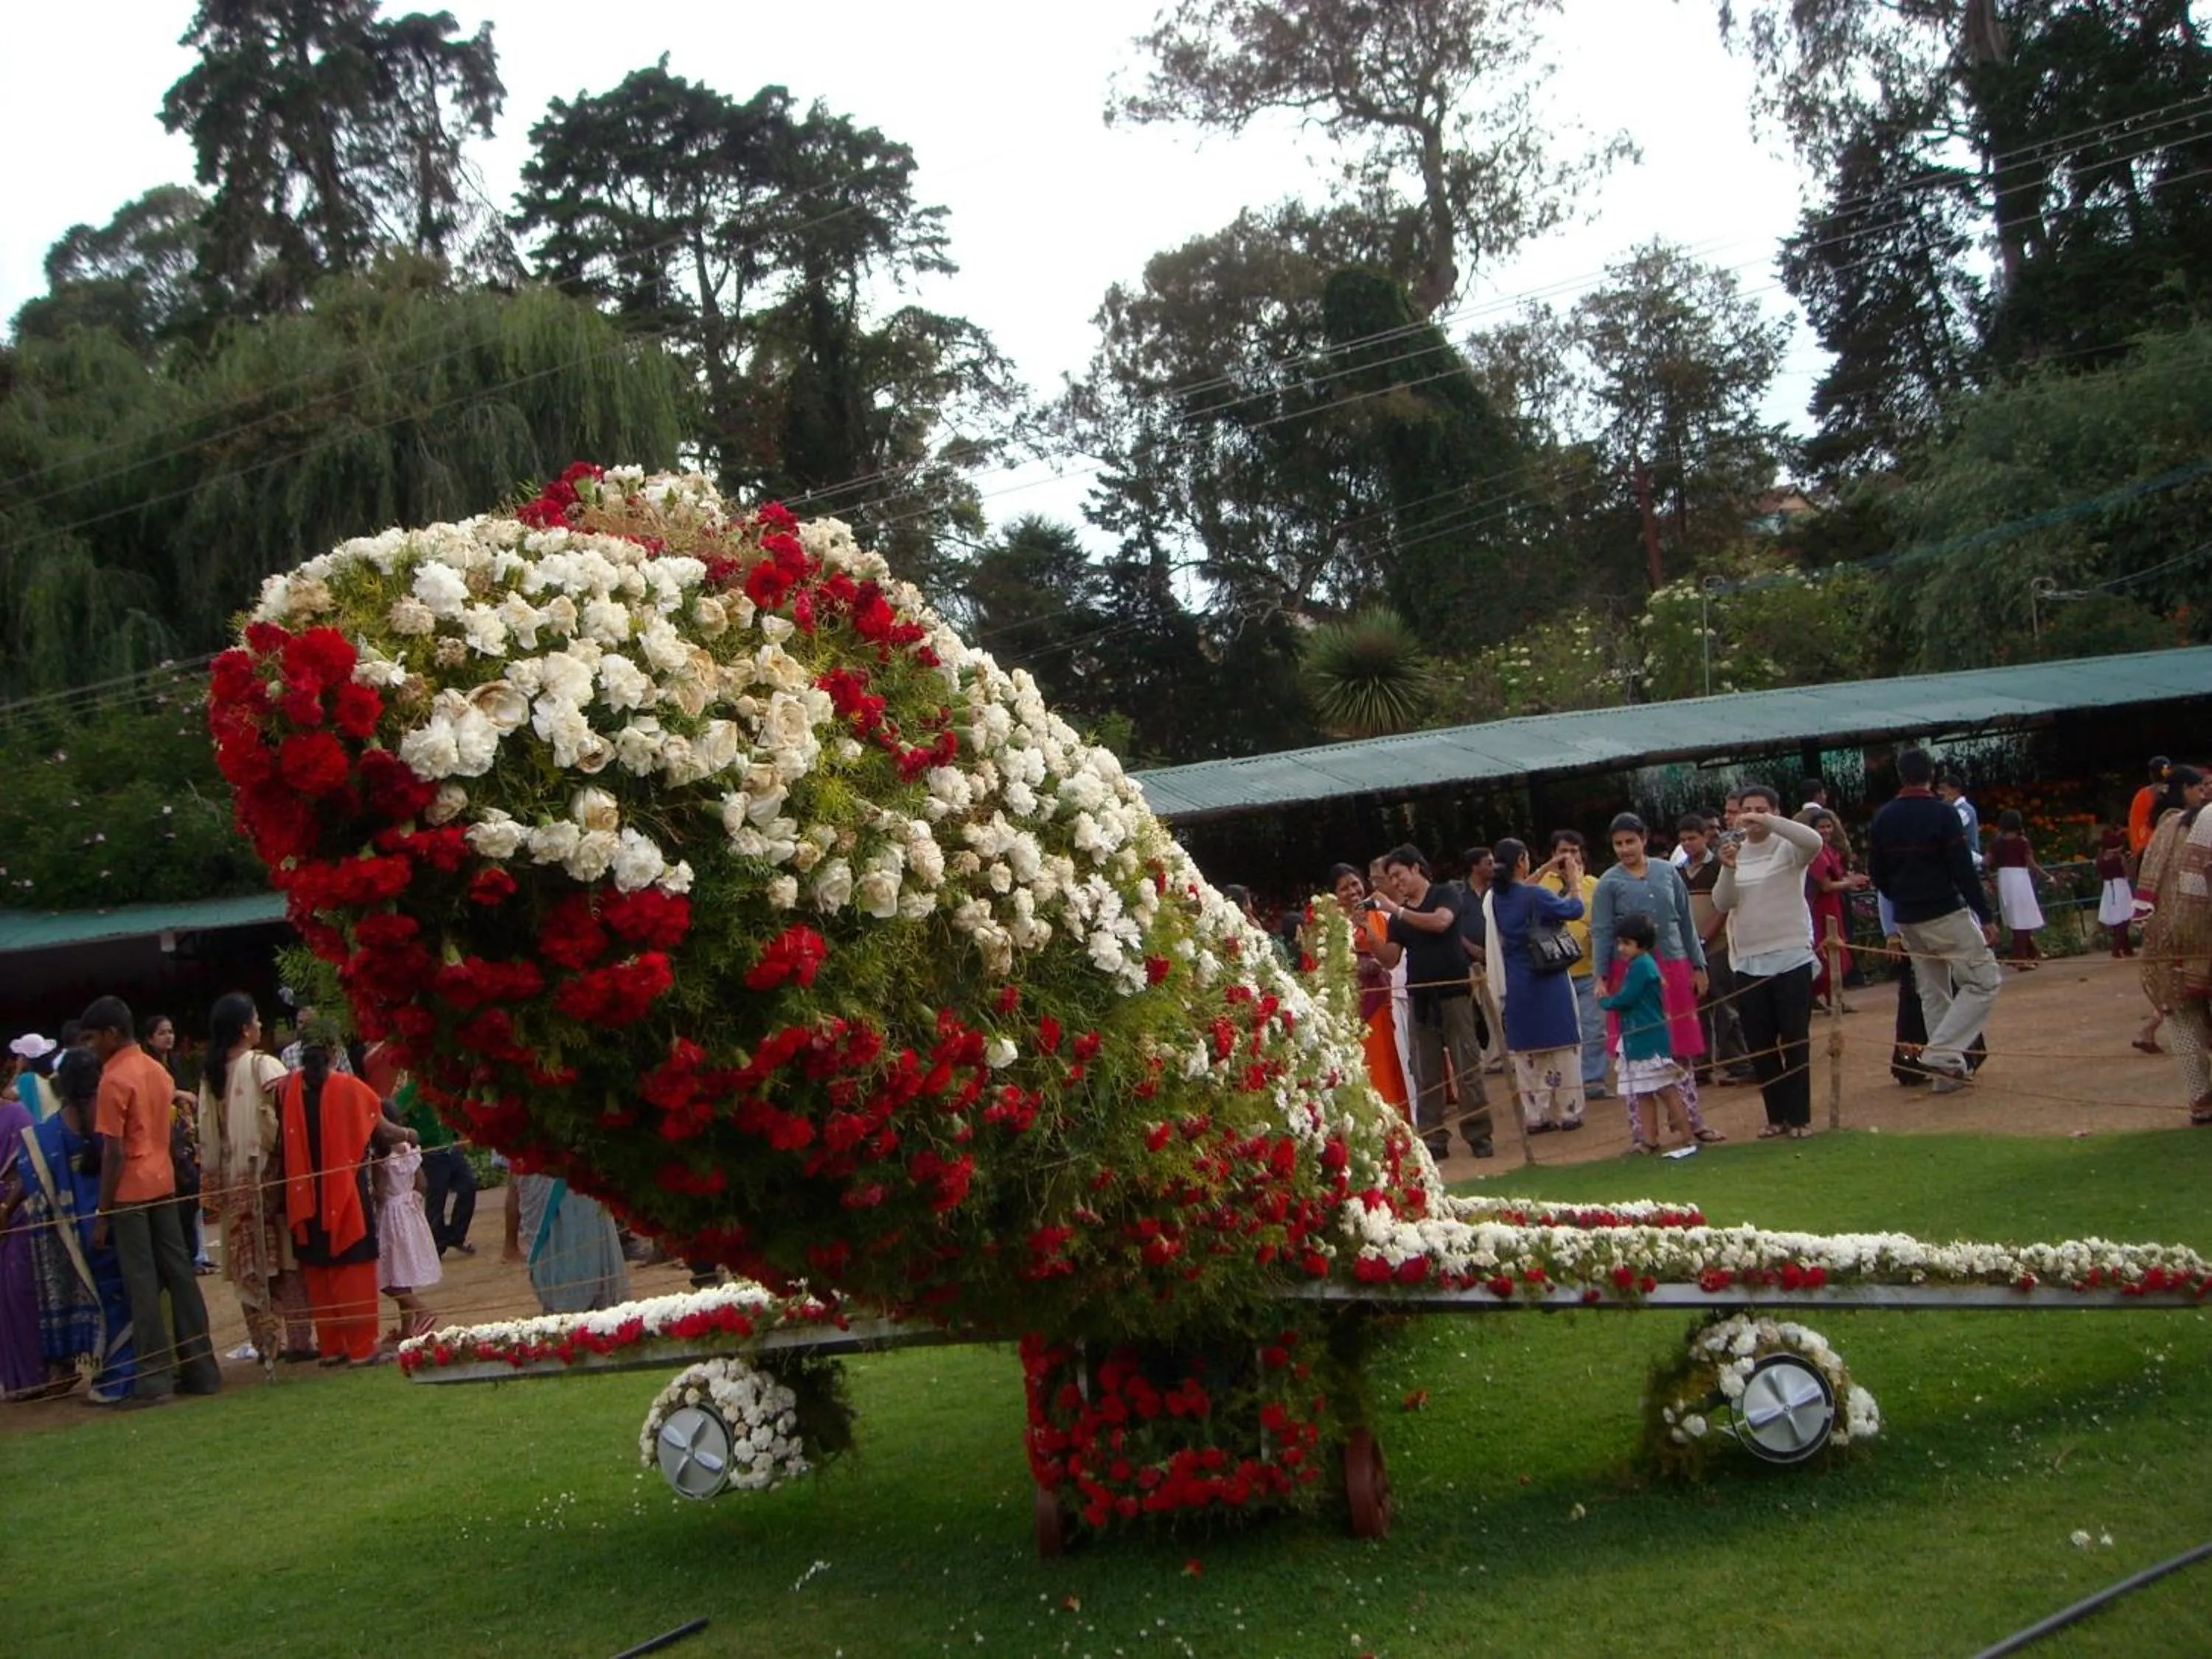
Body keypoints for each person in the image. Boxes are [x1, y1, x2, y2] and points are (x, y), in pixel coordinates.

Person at [82, 995, 220, 1402]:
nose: (91, 1046)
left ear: (111, 1034)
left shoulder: (113, 1079)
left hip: (130, 1191)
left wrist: (103, 1213)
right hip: (164, 1181)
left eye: (92, 1038)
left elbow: (113, 1152)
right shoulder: (156, 1070)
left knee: (141, 1284)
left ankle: (155, 1379)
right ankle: (202, 1370)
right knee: (180, 1275)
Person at [1, 1047, 135, 1402]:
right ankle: (119, 1378)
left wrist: (7, 1209)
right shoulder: (110, 1126)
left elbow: (28, 1173)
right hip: (110, 1225)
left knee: (104, 1299)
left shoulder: (44, 1134)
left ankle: (109, 1377)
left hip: (73, 1237)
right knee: (118, 1299)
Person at [1868, 748, 2003, 1093]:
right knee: (1984, 981)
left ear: (1900, 776)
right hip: (1943, 911)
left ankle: (1947, 1073)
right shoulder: (1943, 814)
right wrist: (1985, 914)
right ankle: (1942, 1052)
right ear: (1932, 774)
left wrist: (1902, 897)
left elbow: (1877, 874)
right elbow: (1962, 869)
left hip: (1907, 917)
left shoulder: (1883, 817)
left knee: (1933, 991)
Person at [198, 992, 313, 1366]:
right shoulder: (264, 1066)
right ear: (246, 1029)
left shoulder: (211, 1076)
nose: (261, 1026)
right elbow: (292, 1118)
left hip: (233, 1185)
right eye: (257, 1019)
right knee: (287, 1261)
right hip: (270, 1179)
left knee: (248, 1266)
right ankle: (298, 1341)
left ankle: (265, 1344)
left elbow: (209, 1139)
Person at [281, 1036, 410, 1366]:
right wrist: (410, 1135)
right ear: (334, 1054)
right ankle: (362, 1348)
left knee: (319, 1268)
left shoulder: (289, 1090)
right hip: (345, 1191)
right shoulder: (348, 1087)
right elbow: (382, 1128)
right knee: (353, 1267)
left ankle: (332, 1347)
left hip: (305, 1195)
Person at [1713, 787, 1827, 1138]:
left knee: (1794, 1038)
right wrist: (1728, 868)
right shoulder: (1735, 851)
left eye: (1760, 809)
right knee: (1760, 1043)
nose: (1751, 816)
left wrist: (1768, 822)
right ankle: (1776, 1116)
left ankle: (1799, 1117)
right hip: (1749, 961)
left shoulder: (1788, 848)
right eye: (1746, 810)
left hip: (1791, 956)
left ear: (1776, 812)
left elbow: (1814, 842)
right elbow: (1723, 902)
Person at [1368, 844, 1491, 1160]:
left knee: (1467, 1066)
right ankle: (1434, 1137)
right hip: (1420, 997)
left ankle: (1479, 1133)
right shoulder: (1399, 919)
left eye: (1399, 875)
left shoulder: (1444, 894)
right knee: (1426, 1072)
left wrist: (1396, 910)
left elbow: (1441, 922)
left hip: (1454, 992)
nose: (1396, 883)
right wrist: (1368, 929)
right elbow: (1391, 959)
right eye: (1391, 879)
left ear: (1416, 868)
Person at [1589, 813, 1711, 1127]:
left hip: (1674, 965)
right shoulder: (1608, 883)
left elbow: (1685, 922)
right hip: (1628, 973)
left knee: (1679, 1048)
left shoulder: (1667, 872)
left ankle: (1690, 1123)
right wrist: (1601, 977)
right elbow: (1602, 932)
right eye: (1618, 844)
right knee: (1635, 1053)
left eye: (1630, 841)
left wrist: (1698, 965)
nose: (1625, 849)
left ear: (1644, 839)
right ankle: (1643, 1133)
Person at [1478, 838, 1590, 1135]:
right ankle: (1568, 1110)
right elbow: (1575, 910)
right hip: (1548, 978)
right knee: (1562, 1044)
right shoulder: (1536, 895)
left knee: (1527, 1051)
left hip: (1517, 980)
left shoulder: (1496, 899)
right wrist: (1575, 882)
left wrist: (1544, 869)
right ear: (1521, 861)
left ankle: (1535, 1114)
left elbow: (1520, 889)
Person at [2134, 775, 2212, 1125]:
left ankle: (2201, 1101)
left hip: (2165, 939)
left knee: (2182, 1021)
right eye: (2200, 786)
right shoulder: (2198, 824)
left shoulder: (2165, 830)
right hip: (2198, 935)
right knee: (2184, 1019)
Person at [1596, 914, 1696, 1153]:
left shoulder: (1642, 965)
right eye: (1619, 943)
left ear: (1642, 943)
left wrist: (1605, 1001)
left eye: (1627, 943)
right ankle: (1650, 1140)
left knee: (1666, 1089)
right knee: (1643, 1092)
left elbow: (1627, 998)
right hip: (1637, 1037)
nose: (1621, 948)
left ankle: (1688, 1136)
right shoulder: (1639, 964)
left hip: (1648, 1038)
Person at [1327, 863, 1409, 1121]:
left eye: (1355, 884)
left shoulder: (1379, 916)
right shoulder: (1330, 926)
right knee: (1368, 1065)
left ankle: (1401, 1120)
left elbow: (1390, 957)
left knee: (1393, 1059)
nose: (1352, 892)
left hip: (1384, 1001)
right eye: (1344, 888)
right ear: (1334, 895)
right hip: (1355, 1008)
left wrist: (1367, 929)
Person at [1676, 815, 1753, 1086]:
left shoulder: (1719, 866)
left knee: (1726, 1006)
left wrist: (1704, 938)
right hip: (1690, 950)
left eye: (1692, 838)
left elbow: (1724, 907)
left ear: (1704, 837)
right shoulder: (1678, 872)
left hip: (1717, 945)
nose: (1687, 844)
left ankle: (1738, 1063)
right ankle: (1700, 1065)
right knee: (1696, 1008)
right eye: (1683, 840)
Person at [1537, 830, 1609, 1099]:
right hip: (1555, 973)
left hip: (1589, 969)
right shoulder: (1542, 885)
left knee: (1593, 1027)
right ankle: (1566, 1083)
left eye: (1574, 851)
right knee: (1560, 1031)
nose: (1569, 856)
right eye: (1563, 851)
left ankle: (1592, 1080)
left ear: (1583, 854)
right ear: (1552, 855)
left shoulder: (1595, 885)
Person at [504, 1168, 632, 1313]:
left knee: (585, 1241)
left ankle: (589, 1304)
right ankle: (560, 1304)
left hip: (576, 1181)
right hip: (542, 1176)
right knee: (551, 1248)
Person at [373, 1107, 441, 1343]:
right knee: (401, 1273)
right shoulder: (410, 1151)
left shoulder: (381, 1158)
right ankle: (406, 1328)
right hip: (409, 1211)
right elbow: (422, 1183)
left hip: (390, 1214)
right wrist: (413, 1201)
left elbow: (380, 1192)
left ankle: (422, 1309)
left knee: (384, 1276)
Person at [393, 1076, 478, 1257]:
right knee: (436, 1200)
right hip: (430, 1152)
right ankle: (436, 1245)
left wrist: (460, 1134)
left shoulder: (444, 1086)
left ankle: (456, 1235)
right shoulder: (410, 1092)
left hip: (449, 1147)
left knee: (468, 1185)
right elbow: (396, 1117)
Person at [1804, 810, 1869, 1012]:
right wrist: (1851, 882)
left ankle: (1824, 997)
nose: (1825, 831)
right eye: (1821, 827)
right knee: (1828, 952)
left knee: (1833, 950)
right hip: (1822, 907)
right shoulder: (1817, 852)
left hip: (1833, 904)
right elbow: (1826, 886)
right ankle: (1830, 998)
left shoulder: (1828, 849)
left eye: (1828, 826)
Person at [0, 1080, 38, 1397]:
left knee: (20, 1293)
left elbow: (32, 1166)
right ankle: (13, 1380)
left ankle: (35, 1377)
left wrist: (6, 1209)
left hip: (18, 1217)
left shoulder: (17, 1115)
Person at [1457, 847, 1508, 1071]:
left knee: (1496, 1006)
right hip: (1471, 963)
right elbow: (1453, 928)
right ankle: (1489, 1057)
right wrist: (1470, 947)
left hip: (1495, 959)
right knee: (1482, 1010)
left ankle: (1498, 1055)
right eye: (1488, 863)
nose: (1493, 867)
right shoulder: (1460, 896)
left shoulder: (1496, 892)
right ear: (1475, 866)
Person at [1988, 810, 2048, 967]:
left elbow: (1986, 862)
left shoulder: (1996, 843)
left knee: (2014, 917)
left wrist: (1990, 880)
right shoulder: (2022, 842)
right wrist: (2048, 877)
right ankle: (2021, 958)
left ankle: (2031, 952)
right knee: (2022, 917)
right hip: (2019, 878)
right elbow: (2032, 864)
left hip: (2004, 878)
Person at [2096, 824, 2136, 958]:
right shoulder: (2119, 859)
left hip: (2108, 888)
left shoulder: (2100, 859)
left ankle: (2127, 948)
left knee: (2117, 918)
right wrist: (2131, 862)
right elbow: (2129, 874)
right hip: (2120, 887)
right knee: (2125, 918)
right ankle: (2117, 948)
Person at [1937, 773, 1983, 872]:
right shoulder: (1950, 811)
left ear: (1956, 790)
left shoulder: (1964, 811)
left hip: (1967, 862)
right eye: (1939, 789)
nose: (1940, 793)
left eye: (1944, 789)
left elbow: (1947, 831)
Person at [7, 1034, 58, 1123]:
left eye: (20, 1056)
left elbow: (6, 1096)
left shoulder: (27, 1079)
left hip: (38, 1128)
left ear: (25, 1059)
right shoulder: (58, 1075)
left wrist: (18, 1070)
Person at [2129, 757, 2172, 857]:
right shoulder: (2177, 793)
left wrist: (2138, 850)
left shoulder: (2142, 795)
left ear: (2151, 774)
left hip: (2147, 849)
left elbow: (2136, 824)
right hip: (2171, 847)